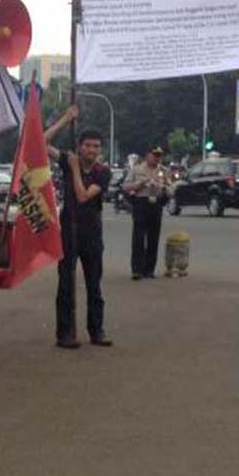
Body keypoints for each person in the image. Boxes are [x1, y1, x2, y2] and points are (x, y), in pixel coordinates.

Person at [44, 106, 113, 349]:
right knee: (66, 284)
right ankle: (65, 333)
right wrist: (65, 119)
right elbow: (42, 141)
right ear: (80, 146)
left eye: (96, 146)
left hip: (91, 234)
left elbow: (83, 196)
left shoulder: (102, 173)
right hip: (68, 231)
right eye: (88, 145)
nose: (92, 150)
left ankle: (97, 330)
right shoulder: (68, 158)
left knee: (94, 284)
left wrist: (73, 170)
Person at [124, 146, 171, 279]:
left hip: (156, 204)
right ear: (147, 155)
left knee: (153, 237)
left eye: (159, 155)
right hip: (141, 202)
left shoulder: (163, 171)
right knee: (138, 237)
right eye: (154, 155)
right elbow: (126, 186)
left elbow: (170, 188)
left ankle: (149, 269)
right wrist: (140, 184)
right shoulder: (137, 169)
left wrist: (161, 187)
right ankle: (137, 270)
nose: (157, 158)